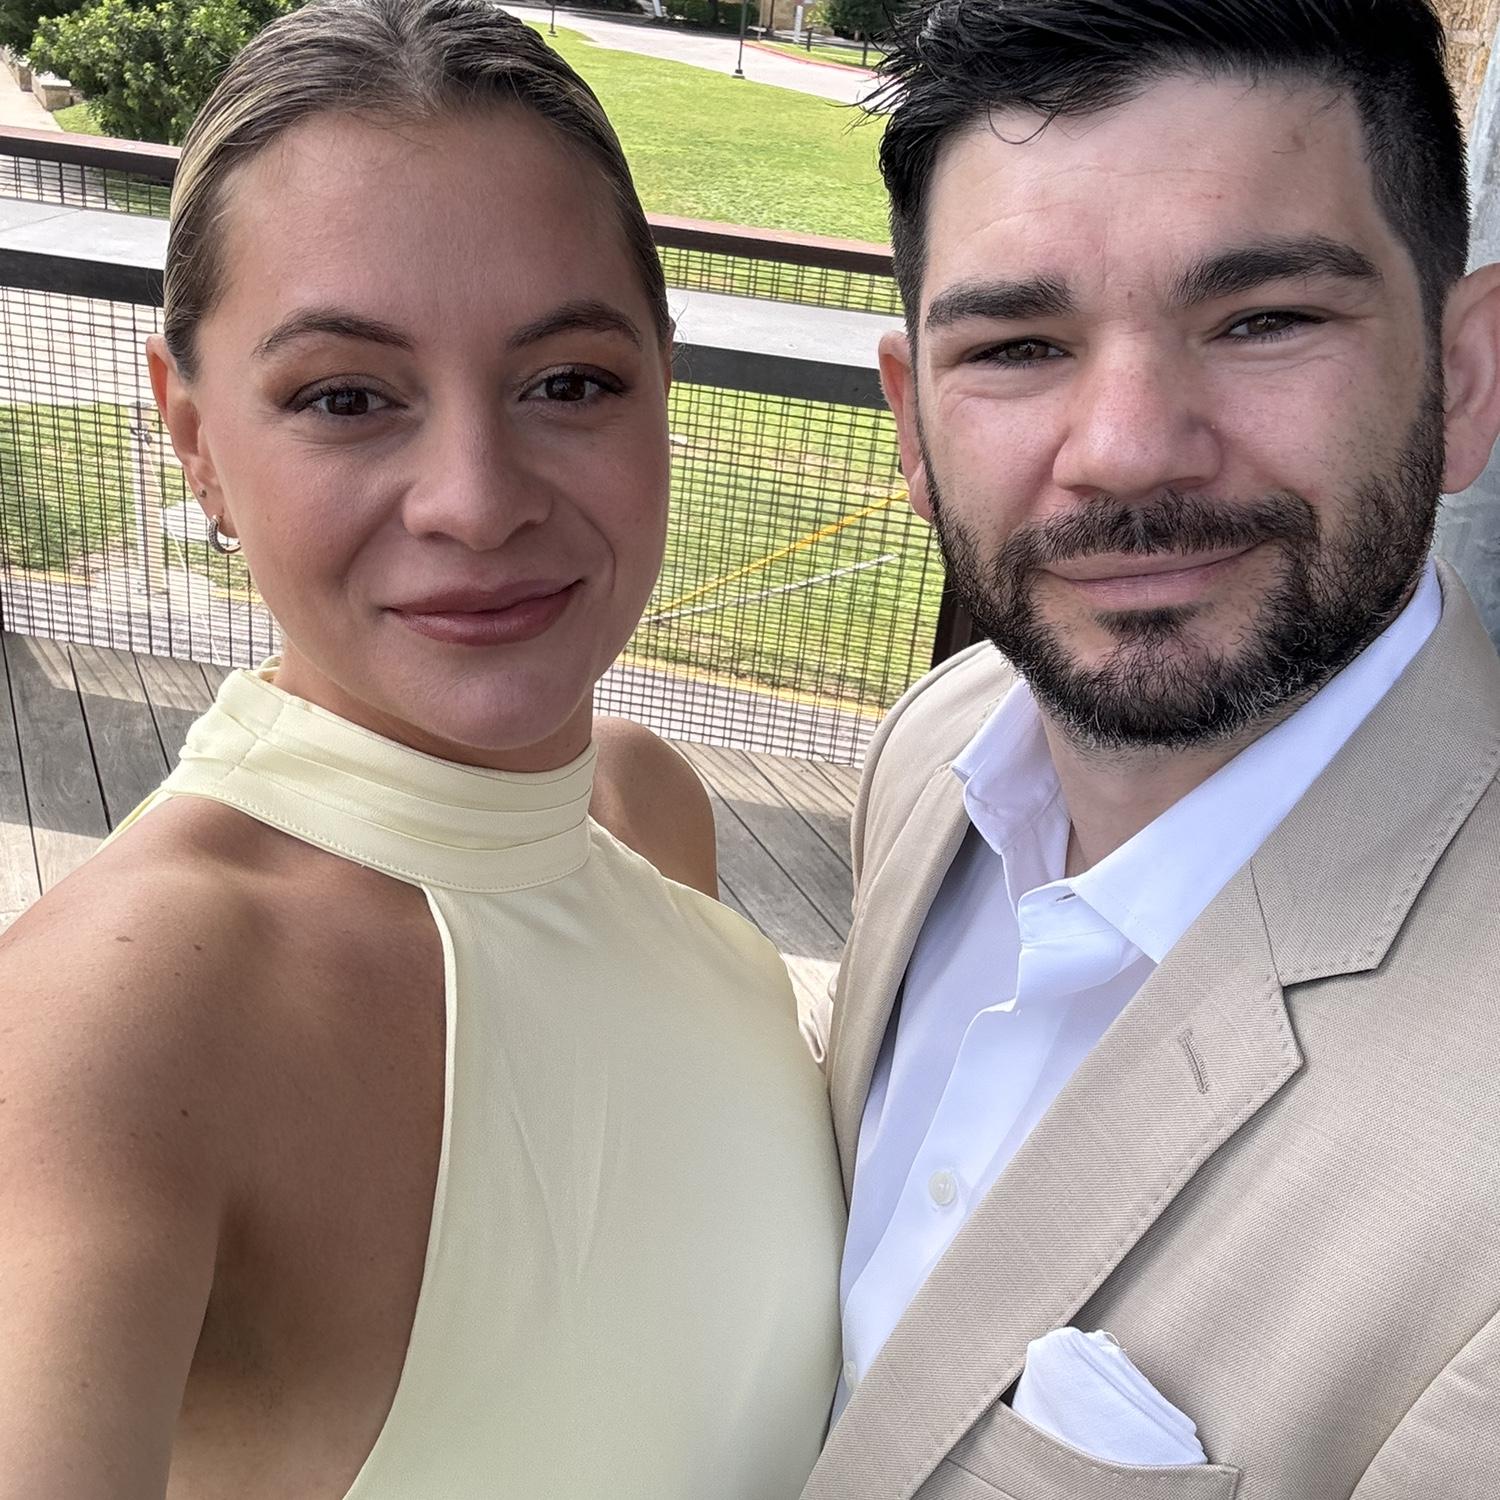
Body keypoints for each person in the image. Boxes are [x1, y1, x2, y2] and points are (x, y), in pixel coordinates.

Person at [0, 2, 845, 1495]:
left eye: (570, 382)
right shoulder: (125, 1009)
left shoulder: (644, 807)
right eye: (346, 397)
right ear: (194, 438)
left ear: (663, 382)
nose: (475, 498)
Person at [803, 1, 1500, 1496]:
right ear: (913, 426)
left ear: (1465, 375)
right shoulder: (940, 749)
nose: (1125, 447)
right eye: (1016, 345)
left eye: (1263, 321)